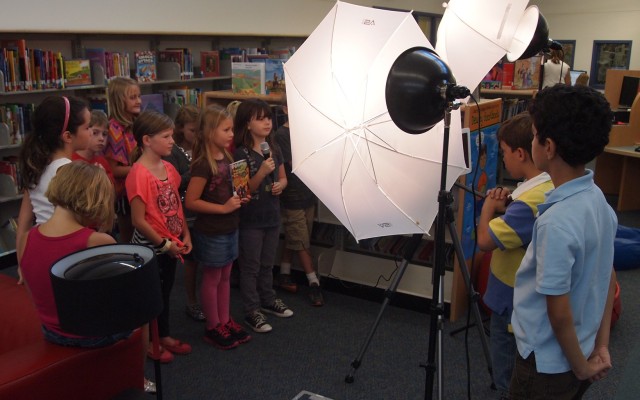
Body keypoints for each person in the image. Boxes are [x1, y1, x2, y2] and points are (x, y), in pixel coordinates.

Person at [509, 84, 618, 399]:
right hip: (580, 349)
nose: (531, 141)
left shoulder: (556, 224)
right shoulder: (597, 199)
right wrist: (600, 346)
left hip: (545, 364)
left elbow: (557, 313)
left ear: (548, 147)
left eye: (533, 135)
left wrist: (583, 367)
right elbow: (607, 277)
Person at [18, 161, 156, 393]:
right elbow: (120, 301)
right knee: (145, 313)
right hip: (90, 335)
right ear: (95, 198)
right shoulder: (97, 241)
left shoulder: (28, 238)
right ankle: (136, 378)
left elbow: (34, 294)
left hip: (51, 331)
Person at [476, 112, 553, 399]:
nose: (503, 159)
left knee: (507, 367)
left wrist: (487, 209)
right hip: (526, 298)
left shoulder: (527, 204)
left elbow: (484, 240)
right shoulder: (546, 185)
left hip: (511, 300)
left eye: (506, 153)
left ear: (520, 153)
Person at [126, 110, 193, 363]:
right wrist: (164, 244)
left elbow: (176, 204)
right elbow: (138, 220)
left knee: (164, 293)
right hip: (152, 249)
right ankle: (150, 342)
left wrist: (185, 233)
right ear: (146, 140)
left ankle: (162, 335)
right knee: (152, 297)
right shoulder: (139, 174)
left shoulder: (168, 168)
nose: (172, 141)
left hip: (171, 246)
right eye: (166, 136)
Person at [185, 104, 252, 349]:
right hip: (212, 230)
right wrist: (223, 208)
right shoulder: (203, 164)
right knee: (213, 277)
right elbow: (192, 201)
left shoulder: (229, 157)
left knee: (225, 276)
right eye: (226, 130)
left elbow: (235, 189)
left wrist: (241, 197)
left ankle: (224, 320)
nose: (231, 134)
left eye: (231, 129)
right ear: (210, 132)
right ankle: (213, 325)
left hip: (230, 226)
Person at [233, 99, 293, 333]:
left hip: (271, 215)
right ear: (247, 124)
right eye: (260, 118)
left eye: (269, 117)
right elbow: (242, 190)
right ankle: (251, 310)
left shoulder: (273, 148)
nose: (267, 122)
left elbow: (283, 177)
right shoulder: (240, 153)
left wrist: (282, 185)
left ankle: (268, 299)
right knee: (250, 266)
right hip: (251, 219)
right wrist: (261, 173)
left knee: (268, 264)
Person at [16, 96, 92, 278]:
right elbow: (83, 220)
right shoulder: (70, 171)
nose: (90, 132)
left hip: (39, 248)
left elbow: (24, 220)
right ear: (67, 136)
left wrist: (21, 263)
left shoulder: (36, 166)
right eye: (87, 127)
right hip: (67, 250)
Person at [273, 98, 324, 306]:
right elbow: (297, 164)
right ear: (285, 109)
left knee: (298, 236)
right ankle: (313, 282)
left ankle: (284, 272)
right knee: (301, 240)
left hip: (307, 193)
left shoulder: (305, 132)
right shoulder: (282, 135)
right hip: (292, 195)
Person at [163, 104, 205, 322]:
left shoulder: (200, 147)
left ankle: (203, 299)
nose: (196, 135)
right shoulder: (174, 153)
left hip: (202, 209)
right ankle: (191, 301)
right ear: (180, 129)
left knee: (203, 257)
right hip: (184, 211)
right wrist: (198, 171)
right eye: (192, 131)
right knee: (191, 259)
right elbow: (175, 183)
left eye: (200, 130)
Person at [104, 76, 141, 243]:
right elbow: (114, 170)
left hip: (140, 186)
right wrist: (143, 169)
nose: (138, 101)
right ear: (119, 101)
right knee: (129, 237)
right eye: (133, 98)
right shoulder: (114, 129)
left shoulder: (137, 123)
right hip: (124, 194)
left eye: (139, 96)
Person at [72, 110, 115, 186]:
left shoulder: (103, 162)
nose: (101, 138)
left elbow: (111, 190)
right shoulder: (71, 161)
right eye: (95, 133)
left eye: (104, 134)